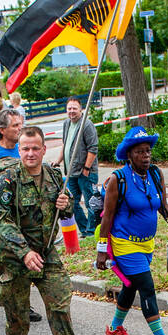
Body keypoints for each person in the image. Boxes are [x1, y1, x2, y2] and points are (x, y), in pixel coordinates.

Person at [0, 126, 87, 335]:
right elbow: (3, 222)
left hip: (46, 254)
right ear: (18, 149)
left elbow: (65, 213)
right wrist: (24, 252)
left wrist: (67, 205)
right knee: (18, 318)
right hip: (12, 258)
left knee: (60, 306)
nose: (30, 153)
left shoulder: (55, 177)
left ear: (44, 150)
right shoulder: (7, 181)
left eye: (35, 148)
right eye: (25, 148)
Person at [95, 126, 168, 335]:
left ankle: (114, 330)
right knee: (147, 288)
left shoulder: (155, 174)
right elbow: (108, 216)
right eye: (140, 152)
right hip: (124, 244)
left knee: (130, 286)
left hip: (147, 244)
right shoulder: (118, 179)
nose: (146, 156)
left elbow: (163, 206)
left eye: (148, 151)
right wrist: (102, 251)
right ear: (129, 155)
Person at [63, 97, 99, 237]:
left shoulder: (86, 125)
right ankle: (84, 229)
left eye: (74, 108)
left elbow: (93, 148)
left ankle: (91, 231)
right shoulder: (66, 123)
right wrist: (59, 160)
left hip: (85, 172)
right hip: (71, 172)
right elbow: (65, 144)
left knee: (91, 203)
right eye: (69, 108)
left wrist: (86, 168)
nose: (71, 111)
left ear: (81, 110)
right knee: (73, 202)